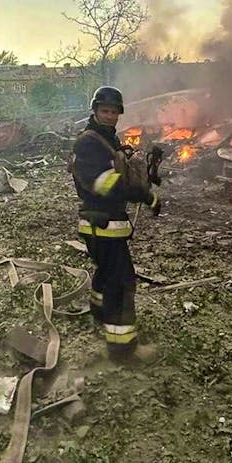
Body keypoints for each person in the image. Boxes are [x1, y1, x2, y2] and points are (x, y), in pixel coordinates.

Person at [71, 86, 161, 363]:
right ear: (95, 111)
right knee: (121, 282)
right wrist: (142, 194)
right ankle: (122, 349)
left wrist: (142, 176)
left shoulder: (106, 138)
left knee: (107, 271)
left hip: (105, 223)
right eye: (105, 111)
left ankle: (99, 312)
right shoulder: (89, 143)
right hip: (102, 223)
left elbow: (118, 174)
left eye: (114, 112)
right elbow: (104, 183)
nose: (110, 116)